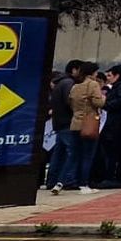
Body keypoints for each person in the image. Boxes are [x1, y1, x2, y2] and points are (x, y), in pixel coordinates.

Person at [63, 62, 106, 193]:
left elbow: (70, 102)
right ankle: (84, 183)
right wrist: (103, 97)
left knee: (74, 154)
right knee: (87, 155)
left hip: (75, 122)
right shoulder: (93, 85)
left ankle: (66, 180)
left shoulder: (75, 86)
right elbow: (98, 102)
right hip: (89, 123)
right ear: (92, 72)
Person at [43, 60, 80, 193]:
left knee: (58, 153)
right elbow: (70, 102)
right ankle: (68, 180)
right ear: (74, 70)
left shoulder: (59, 83)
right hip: (67, 122)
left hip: (58, 122)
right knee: (72, 152)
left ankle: (51, 180)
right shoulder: (69, 83)